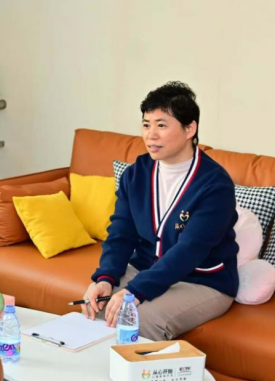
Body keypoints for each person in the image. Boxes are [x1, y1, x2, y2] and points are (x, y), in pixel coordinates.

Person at [82, 82, 239, 341]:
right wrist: (105, 277)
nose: (150, 135)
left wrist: (136, 291)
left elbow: (190, 250)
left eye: (161, 125)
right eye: (146, 125)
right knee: (94, 307)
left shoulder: (215, 185)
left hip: (201, 280)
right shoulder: (136, 174)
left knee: (136, 320)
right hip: (145, 269)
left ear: (190, 129)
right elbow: (121, 233)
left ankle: (135, 368)